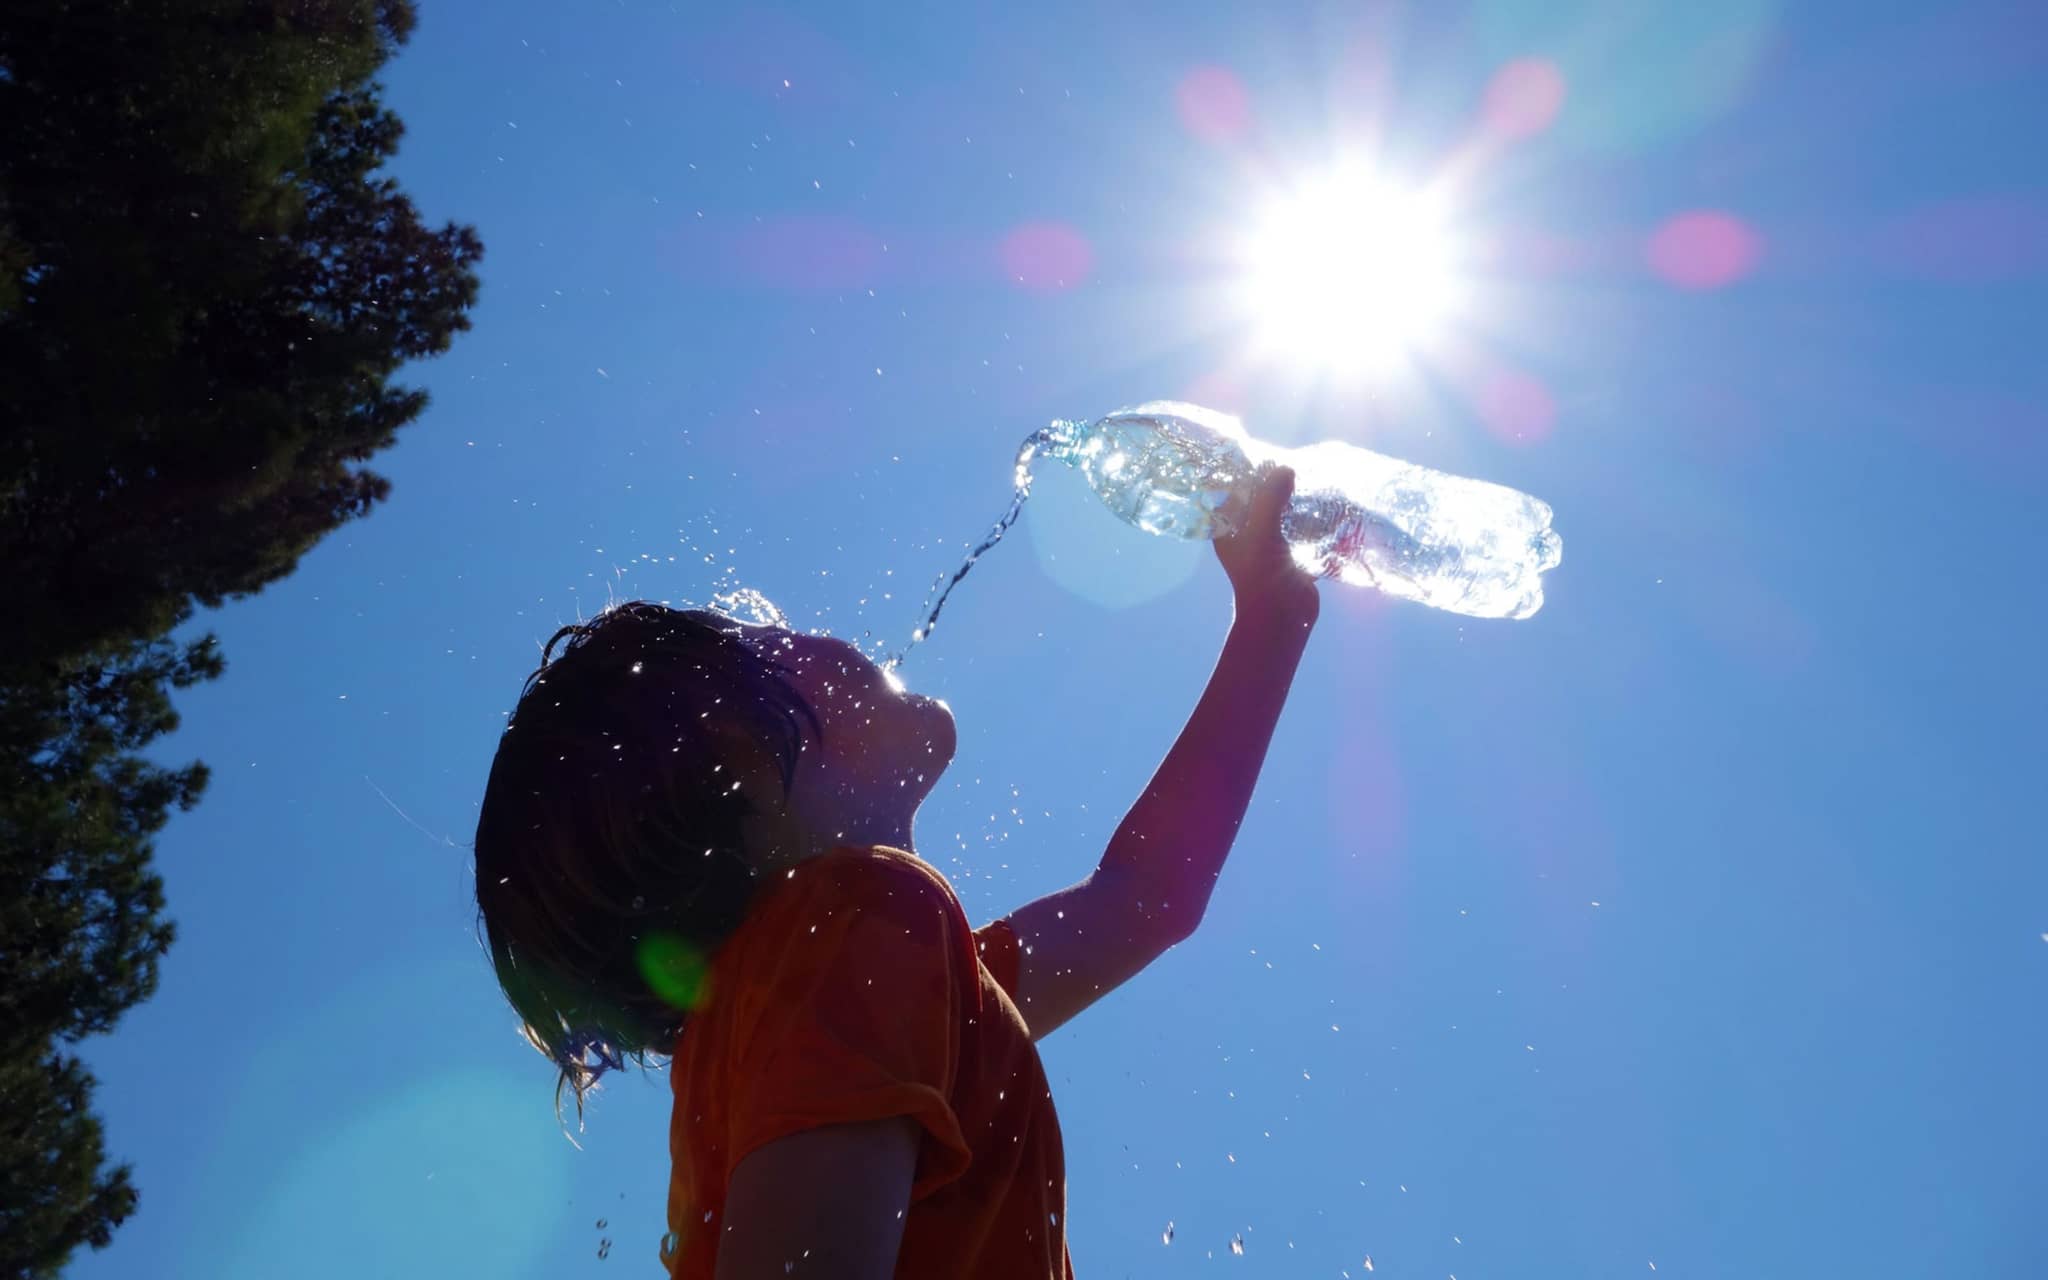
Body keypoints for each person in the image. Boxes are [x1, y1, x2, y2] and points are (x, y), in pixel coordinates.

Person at [472, 467, 1318, 1278]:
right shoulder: (845, 935)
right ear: (742, 762)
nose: (814, 633)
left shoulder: (849, 990)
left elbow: (1145, 899)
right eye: (770, 641)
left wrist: (1272, 618)